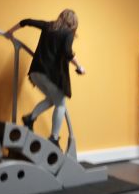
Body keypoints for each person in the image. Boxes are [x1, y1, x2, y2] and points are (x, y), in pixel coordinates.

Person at [5, 9, 85, 149]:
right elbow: (67, 52)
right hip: (51, 75)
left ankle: (30, 118)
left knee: (52, 100)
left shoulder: (48, 26)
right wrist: (79, 66)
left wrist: (10, 32)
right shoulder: (68, 33)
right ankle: (54, 138)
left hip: (36, 72)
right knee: (61, 104)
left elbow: (26, 21)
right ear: (73, 23)